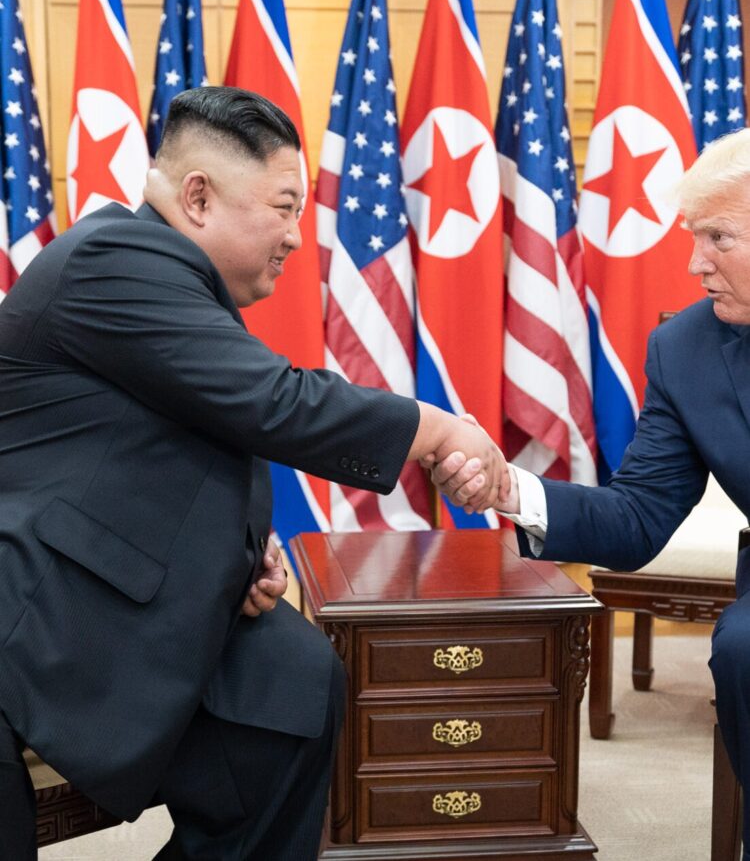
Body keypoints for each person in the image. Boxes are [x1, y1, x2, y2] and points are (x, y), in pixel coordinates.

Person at [0, 86, 508, 861]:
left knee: (296, 680)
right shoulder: (114, 259)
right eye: (284, 207)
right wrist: (438, 429)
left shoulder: (172, 274)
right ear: (198, 197)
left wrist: (238, 555)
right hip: (47, 605)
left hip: (126, 579)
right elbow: (273, 402)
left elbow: (158, 453)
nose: (299, 238)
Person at [433, 125, 750, 859]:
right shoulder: (687, 348)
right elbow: (637, 517)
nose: (695, 263)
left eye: (719, 239)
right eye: (692, 237)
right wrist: (506, 487)